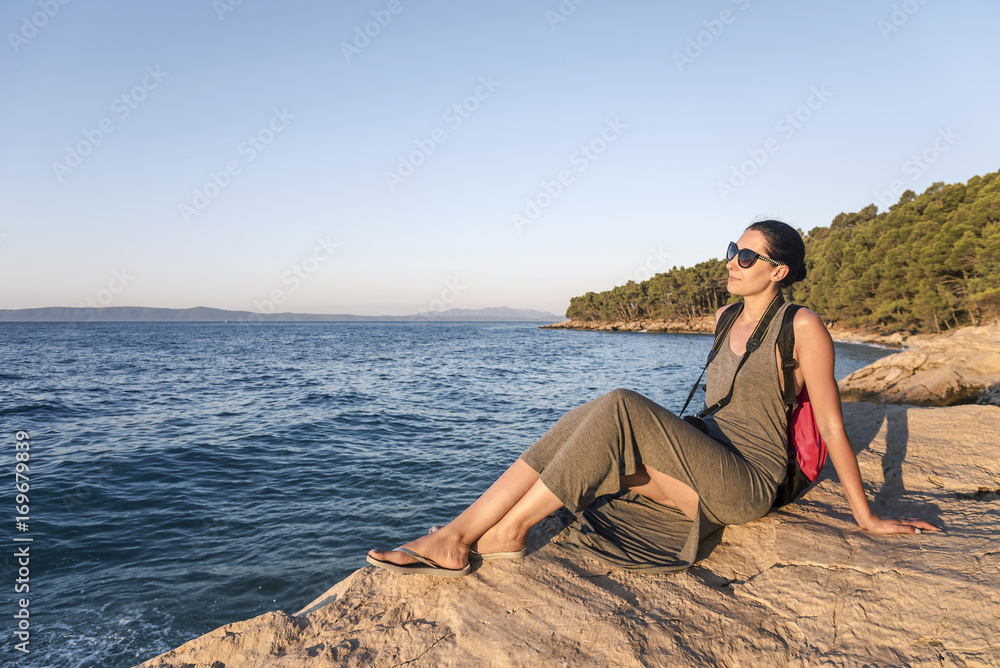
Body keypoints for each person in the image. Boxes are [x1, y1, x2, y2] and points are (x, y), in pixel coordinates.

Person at [367, 220, 941, 577]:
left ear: (779, 270)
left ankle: (497, 533)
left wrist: (865, 517)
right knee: (585, 415)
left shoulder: (803, 326)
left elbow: (835, 429)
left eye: (747, 257)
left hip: (748, 482)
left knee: (618, 403)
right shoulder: (724, 317)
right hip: (706, 457)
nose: (731, 264)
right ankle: (460, 534)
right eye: (731, 251)